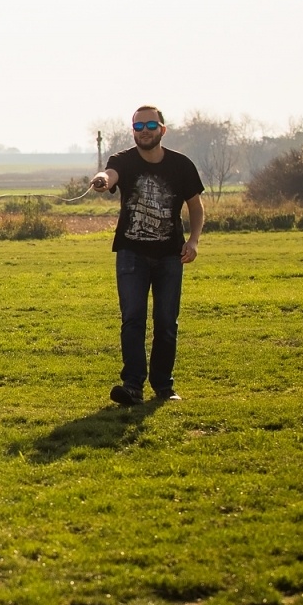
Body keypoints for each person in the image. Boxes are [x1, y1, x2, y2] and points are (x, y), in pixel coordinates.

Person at [89, 105, 205, 406]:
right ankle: (132, 386)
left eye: (150, 125)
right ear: (133, 132)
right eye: (138, 127)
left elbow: (195, 206)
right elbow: (110, 174)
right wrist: (102, 180)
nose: (144, 131)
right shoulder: (123, 161)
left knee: (167, 322)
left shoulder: (181, 165)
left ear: (162, 130)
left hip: (170, 255)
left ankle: (164, 387)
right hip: (131, 255)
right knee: (133, 319)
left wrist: (193, 241)